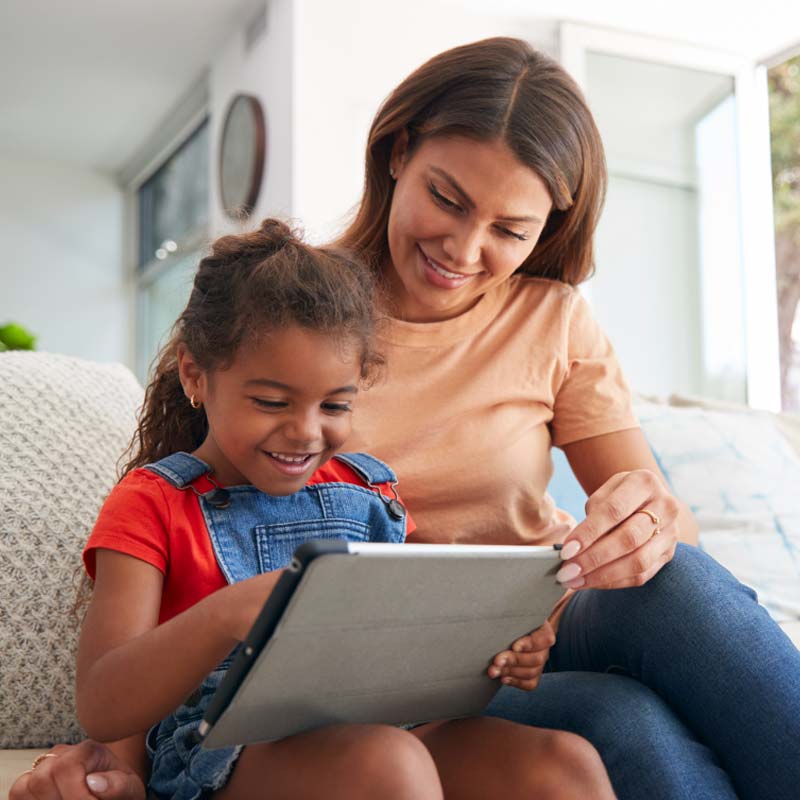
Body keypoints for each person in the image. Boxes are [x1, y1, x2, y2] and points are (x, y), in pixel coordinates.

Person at [12, 36, 800, 800]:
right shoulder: (294, 319)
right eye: (446, 199)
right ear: (398, 153)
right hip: (393, 672)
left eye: (509, 230)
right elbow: (181, 542)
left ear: (548, 227)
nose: (463, 248)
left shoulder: (555, 318)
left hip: (536, 633)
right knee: (626, 723)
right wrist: (113, 760)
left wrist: (647, 523)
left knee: (684, 581)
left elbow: (664, 528)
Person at [12, 219, 617, 800]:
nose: (305, 432)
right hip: (221, 753)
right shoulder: (152, 503)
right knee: (389, 765)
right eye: (273, 401)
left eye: (334, 405)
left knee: (563, 764)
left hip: (387, 722)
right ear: (197, 375)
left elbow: (407, 642)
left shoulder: (368, 492)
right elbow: (101, 699)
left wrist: (502, 648)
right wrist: (231, 614)